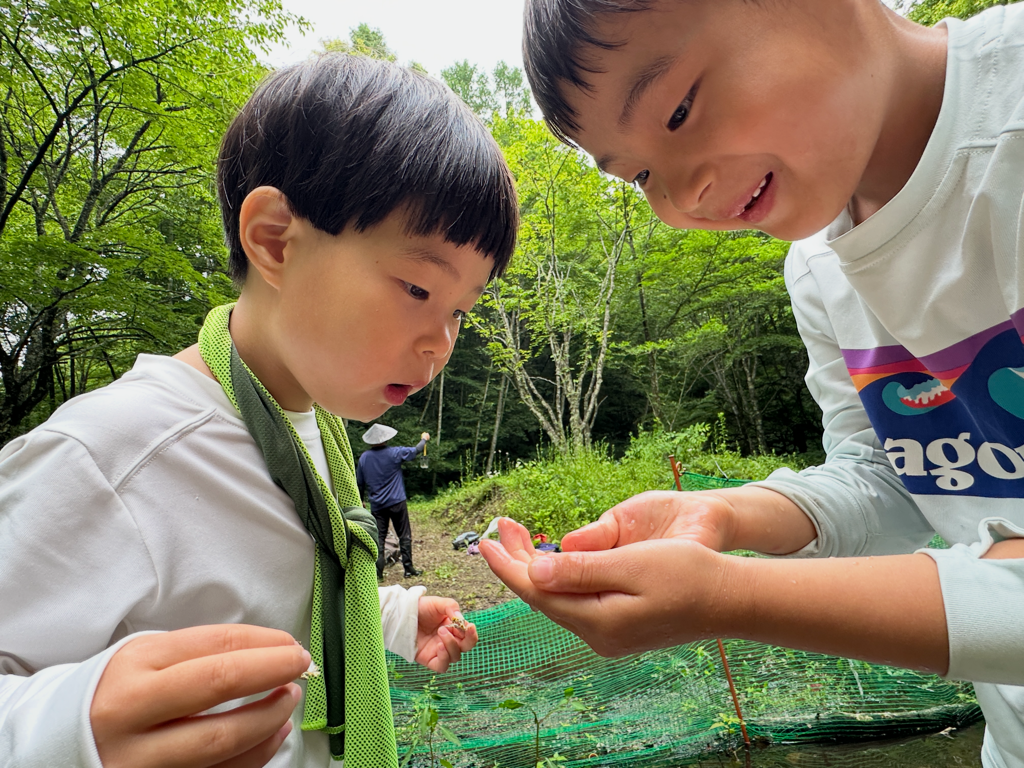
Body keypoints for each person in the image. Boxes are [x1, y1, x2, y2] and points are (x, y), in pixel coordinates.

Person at [480, 2, 1024, 766]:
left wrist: (728, 598)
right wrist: (724, 515)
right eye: (638, 174)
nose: (679, 200)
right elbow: (892, 477)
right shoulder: (818, 266)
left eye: (678, 108)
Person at [0, 54, 519, 768]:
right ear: (275, 239)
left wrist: (393, 617)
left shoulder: (315, 424)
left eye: (462, 309)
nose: (441, 341)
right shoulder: (112, 454)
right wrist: (68, 729)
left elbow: (293, 580)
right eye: (418, 289)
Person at [357, 424, 430, 579]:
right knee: (404, 535)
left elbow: (359, 482)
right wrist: (424, 440)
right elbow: (416, 450)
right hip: (397, 502)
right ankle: (408, 569)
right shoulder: (395, 453)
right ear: (385, 439)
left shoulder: (364, 458)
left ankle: (378, 574)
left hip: (377, 505)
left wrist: (361, 499)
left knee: (379, 539)